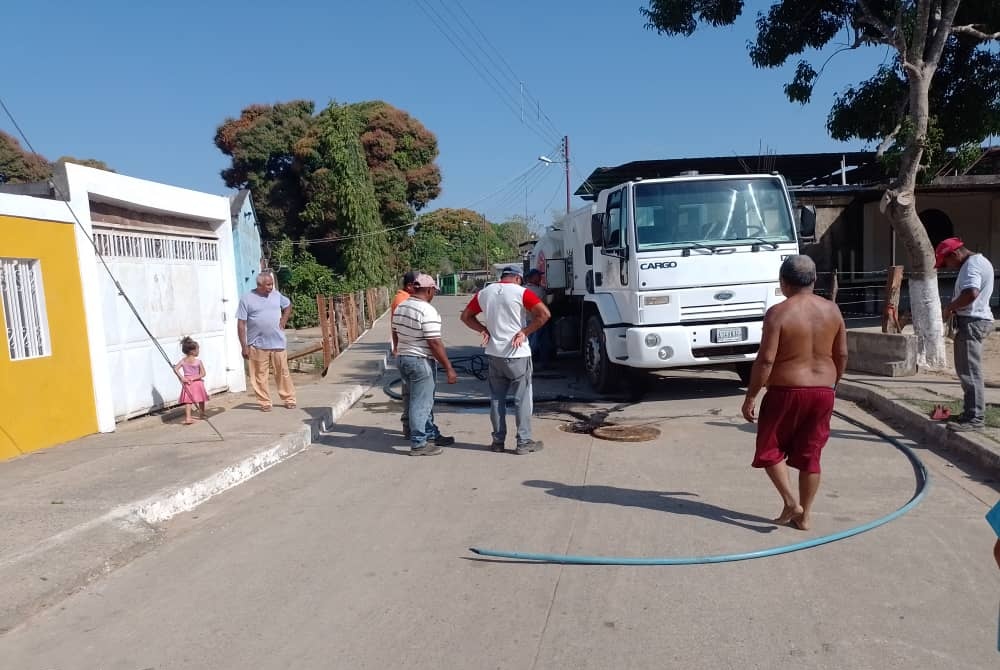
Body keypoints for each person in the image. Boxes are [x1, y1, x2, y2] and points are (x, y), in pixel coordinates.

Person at [741, 255, 848, 531]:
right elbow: (842, 353)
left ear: (783, 283)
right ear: (814, 281)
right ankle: (806, 515)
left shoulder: (779, 313)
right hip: (823, 390)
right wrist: (834, 382)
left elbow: (765, 359)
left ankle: (791, 501)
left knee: (770, 448)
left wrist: (751, 395)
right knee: (811, 454)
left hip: (786, 390)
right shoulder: (832, 311)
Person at [460, 265, 551, 454]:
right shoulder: (522, 292)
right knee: (522, 399)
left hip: (494, 354)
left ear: (503, 277)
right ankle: (524, 442)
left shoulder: (484, 293)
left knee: (496, 399)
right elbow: (544, 314)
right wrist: (525, 332)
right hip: (517, 354)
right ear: (518, 278)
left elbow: (466, 316)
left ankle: (498, 442)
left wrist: (483, 330)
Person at [391, 273, 458, 456]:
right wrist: (449, 367)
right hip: (419, 361)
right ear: (429, 290)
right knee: (420, 403)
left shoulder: (401, 306)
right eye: (433, 291)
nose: (433, 294)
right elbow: (434, 342)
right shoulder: (427, 311)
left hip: (404, 358)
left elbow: (395, 330)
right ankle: (419, 443)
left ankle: (429, 433)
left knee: (418, 399)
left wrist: (399, 348)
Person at [936, 237, 995, 431]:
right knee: (967, 372)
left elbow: (971, 293)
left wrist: (950, 308)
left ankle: (975, 419)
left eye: (946, 262)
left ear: (955, 254)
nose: (948, 267)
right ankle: (970, 413)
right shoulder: (976, 262)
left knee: (970, 373)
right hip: (973, 321)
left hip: (972, 322)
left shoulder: (972, 266)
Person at [237, 270, 296, 412]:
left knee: (282, 372)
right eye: (268, 285)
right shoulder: (247, 299)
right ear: (259, 285)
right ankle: (264, 402)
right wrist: (244, 346)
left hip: (277, 342)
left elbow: (288, 305)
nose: (271, 287)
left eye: (272, 284)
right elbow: (241, 324)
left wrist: (284, 319)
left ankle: (289, 399)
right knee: (259, 375)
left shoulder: (276, 295)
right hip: (257, 344)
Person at [391, 270, 420, 439]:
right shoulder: (403, 300)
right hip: (409, 351)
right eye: (418, 285)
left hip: (405, 350)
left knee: (410, 392)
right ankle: (413, 429)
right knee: (413, 393)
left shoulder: (403, 298)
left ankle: (410, 427)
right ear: (409, 286)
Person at [174, 336, 208, 425]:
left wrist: (182, 378)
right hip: (197, 383)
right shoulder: (198, 361)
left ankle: (188, 418)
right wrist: (195, 377)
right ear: (192, 351)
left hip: (187, 383)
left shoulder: (183, 361)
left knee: (188, 401)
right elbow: (203, 374)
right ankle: (202, 414)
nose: (198, 351)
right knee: (201, 399)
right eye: (198, 349)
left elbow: (175, 369)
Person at [524, 269, 553, 369]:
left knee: (544, 343)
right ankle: (527, 364)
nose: (540, 277)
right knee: (533, 344)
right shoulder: (528, 289)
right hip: (533, 321)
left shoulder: (540, 288)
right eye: (538, 275)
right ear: (531, 278)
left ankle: (544, 364)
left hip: (542, 320)